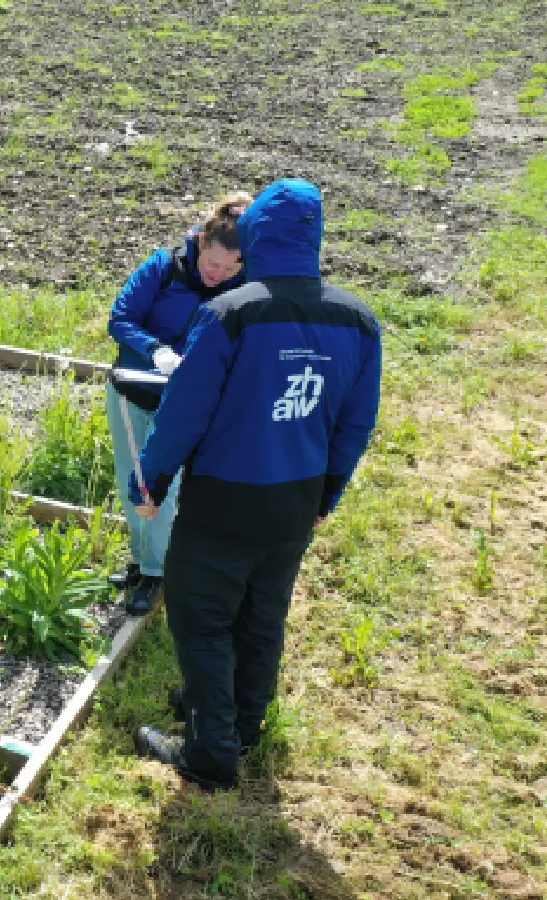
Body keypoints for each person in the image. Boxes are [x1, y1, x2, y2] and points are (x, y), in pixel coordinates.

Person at [129, 178, 383, 791]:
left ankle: (210, 752)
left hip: (225, 496)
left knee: (202, 616)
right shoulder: (358, 321)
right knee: (262, 614)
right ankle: (241, 724)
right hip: (294, 499)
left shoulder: (231, 315)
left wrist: (151, 481)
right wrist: (327, 496)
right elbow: (354, 425)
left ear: (257, 237)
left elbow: (184, 414)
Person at [106, 191, 254, 615]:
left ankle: (160, 573)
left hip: (191, 407)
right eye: (213, 264)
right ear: (200, 242)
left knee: (168, 494)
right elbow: (120, 318)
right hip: (134, 390)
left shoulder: (243, 289)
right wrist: (155, 350)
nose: (217, 275)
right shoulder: (164, 266)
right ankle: (141, 561)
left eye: (230, 269)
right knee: (131, 481)